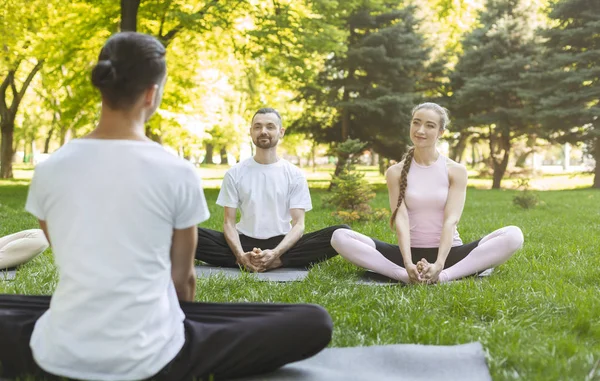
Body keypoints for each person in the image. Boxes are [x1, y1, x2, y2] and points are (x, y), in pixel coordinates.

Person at [0, 32, 332, 381]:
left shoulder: (50, 169)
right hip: (156, 355)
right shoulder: (176, 171)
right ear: (151, 93)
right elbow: (183, 283)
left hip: (57, 349)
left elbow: (71, 259)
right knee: (312, 320)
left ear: (102, 86)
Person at [330, 102, 524, 284]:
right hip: (406, 255)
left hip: (450, 255)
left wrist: (439, 264)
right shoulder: (395, 172)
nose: (421, 130)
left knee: (514, 235)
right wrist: (407, 263)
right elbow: (401, 220)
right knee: (339, 236)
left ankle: (442, 277)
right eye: (416, 123)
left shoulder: (455, 170)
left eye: (430, 125)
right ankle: (405, 276)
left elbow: (451, 221)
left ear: (441, 132)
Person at [195, 108, 349, 272]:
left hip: (283, 243)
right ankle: (246, 260)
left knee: (340, 232)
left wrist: (276, 253)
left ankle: (275, 260)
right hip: (242, 241)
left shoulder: (294, 174)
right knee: (187, 232)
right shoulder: (235, 173)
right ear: (251, 132)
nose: (263, 131)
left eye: (270, 126)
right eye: (258, 127)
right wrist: (240, 253)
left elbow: (298, 225)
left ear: (281, 132)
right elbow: (228, 222)